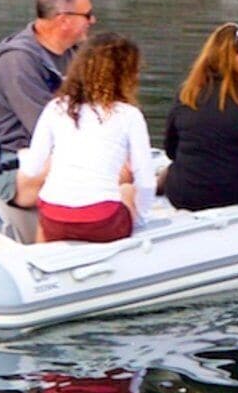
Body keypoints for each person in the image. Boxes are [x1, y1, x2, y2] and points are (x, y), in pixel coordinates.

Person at [16, 32, 150, 244]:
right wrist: (141, 218)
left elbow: (32, 168)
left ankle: (39, 259)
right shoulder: (129, 115)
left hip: (55, 217)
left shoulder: (56, 107)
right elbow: (146, 181)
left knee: (48, 213)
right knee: (126, 190)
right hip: (102, 221)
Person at [159, 23, 238, 213]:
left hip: (184, 194)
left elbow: (171, 148)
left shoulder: (187, 93)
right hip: (235, 194)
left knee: (166, 173)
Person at [0, 0, 93, 164]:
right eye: (88, 15)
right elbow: (43, 126)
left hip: (60, 152)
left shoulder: (77, 55)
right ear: (63, 20)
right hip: (8, 160)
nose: (92, 21)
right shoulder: (18, 59)